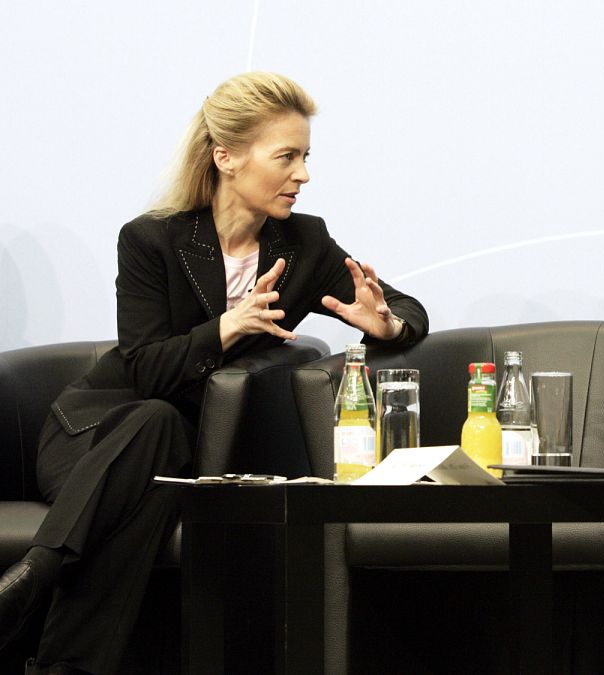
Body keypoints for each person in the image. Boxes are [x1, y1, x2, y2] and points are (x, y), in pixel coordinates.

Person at [0, 72, 429, 674]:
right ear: (226, 158)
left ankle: (34, 585)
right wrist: (228, 326)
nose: (303, 175)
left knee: (157, 459)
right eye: (287, 157)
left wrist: (385, 324)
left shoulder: (304, 243)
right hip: (94, 436)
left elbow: (408, 310)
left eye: (306, 157)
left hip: (182, 452)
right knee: (154, 424)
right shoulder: (152, 240)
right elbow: (146, 370)